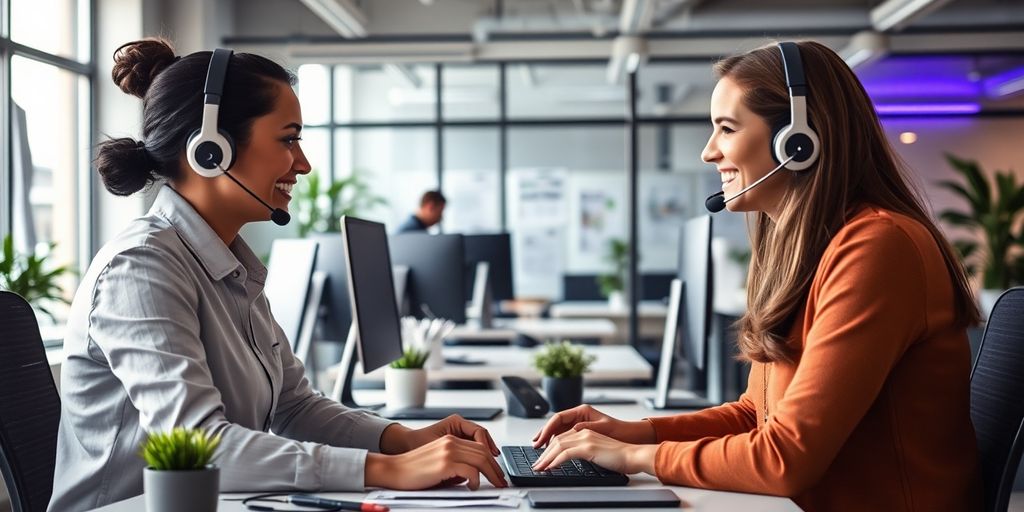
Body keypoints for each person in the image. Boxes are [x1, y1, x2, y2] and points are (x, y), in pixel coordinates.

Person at [48, 39, 506, 512]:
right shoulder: (140, 269)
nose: (303, 164)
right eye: (288, 139)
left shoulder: (231, 266)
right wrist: (386, 470)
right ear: (211, 150)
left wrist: (402, 441)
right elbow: (200, 447)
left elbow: (293, 407)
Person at [530, 40, 983, 512]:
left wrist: (637, 456)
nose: (709, 152)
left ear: (798, 141)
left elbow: (786, 457)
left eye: (726, 129)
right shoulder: (802, 250)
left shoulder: (877, 248)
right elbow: (755, 414)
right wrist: (637, 432)